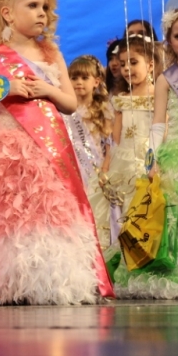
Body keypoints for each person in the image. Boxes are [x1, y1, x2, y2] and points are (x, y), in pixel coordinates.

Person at [0, 0, 114, 305]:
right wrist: (4, 88)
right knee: (13, 213)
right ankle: (14, 282)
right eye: (32, 6)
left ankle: (54, 281)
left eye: (45, 7)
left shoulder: (51, 54)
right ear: (8, 13)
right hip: (9, 148)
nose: (42, 13)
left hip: (49, 149)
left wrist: (48, 90)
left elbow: (70, 103)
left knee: (50, 210)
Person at [114, 7, 178, 298]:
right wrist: (151, 159)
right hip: (177, 158)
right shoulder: (166, 79)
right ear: (169, 41)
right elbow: (157, 123)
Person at [100, 34, 160, 246]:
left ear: (150, 65)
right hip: (122, 161)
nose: (127, 69)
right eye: (123, 64)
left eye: (133, 63)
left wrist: (157, 161)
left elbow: (163, 129)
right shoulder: (121, 99)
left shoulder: (159, 95)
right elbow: (114, 138)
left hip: (148, 159)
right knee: (121, 208)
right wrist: (107, 163)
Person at [66, 55, 113, 250]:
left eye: (84, 78)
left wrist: (105, 169)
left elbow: (110, 144)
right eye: (74, 78)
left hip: (96, 171)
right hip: (71, 170)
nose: (78, 82)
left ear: (96, 81)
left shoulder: (104, 109)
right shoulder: (63, 109)